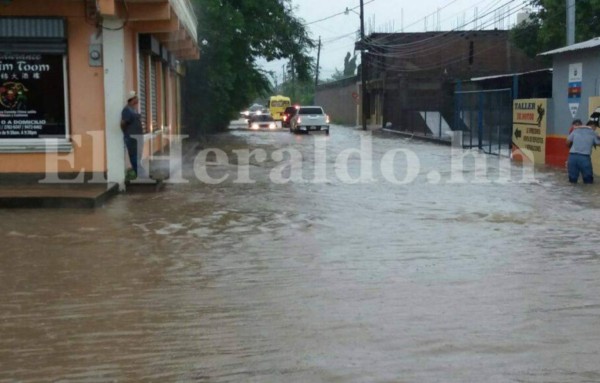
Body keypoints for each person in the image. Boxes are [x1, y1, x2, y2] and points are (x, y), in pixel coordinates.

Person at [566, 119, 600, 184]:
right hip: (584, 158)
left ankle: (571, 194)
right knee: (588, 181)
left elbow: (567, 142)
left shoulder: (576, 130)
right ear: (592, 126)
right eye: (595, 127)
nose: (595, 128)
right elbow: (598, 143)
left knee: (572, 181)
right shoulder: (593, 133)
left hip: (572, 157)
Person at [120, 91, 144, 179]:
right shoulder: (126, 110)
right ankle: (141, 175)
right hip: (131, 138)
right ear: (132, 99)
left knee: (138, 156)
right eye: (136, 98)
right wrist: (128, 133)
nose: (138, 99)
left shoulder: (134, 109)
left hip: (138, 137)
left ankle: (141, 174)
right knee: (134, 156)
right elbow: (123, 123)